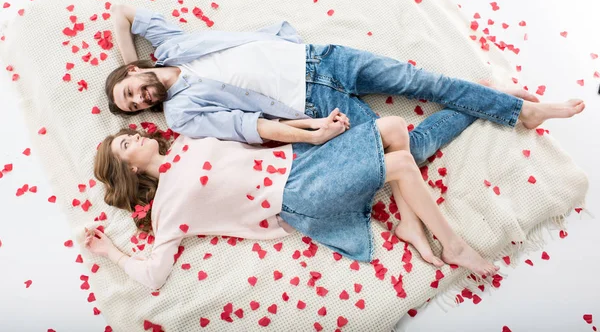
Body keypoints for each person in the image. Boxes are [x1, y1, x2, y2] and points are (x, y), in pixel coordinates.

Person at [87, 112, 503, 291]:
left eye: (129, 134)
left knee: (394, 127)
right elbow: (153, 275)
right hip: (293, 195)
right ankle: (452, 244)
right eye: (126, 144)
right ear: (131, 170)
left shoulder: (187, 140)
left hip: (298, 160)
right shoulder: (167, 209)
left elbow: (258, 130)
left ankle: (409, 224)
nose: (136, 136)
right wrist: (110, 251)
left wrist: (315, 128)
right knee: (401, 164)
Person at [105, 4, 585, 157]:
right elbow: (250, 128)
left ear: (134, 72)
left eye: (131, 90)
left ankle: (519, 110)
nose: (140, 97)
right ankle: (498, 101)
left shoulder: (169, 47)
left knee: (426, 82)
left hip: (321, 58)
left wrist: (129, 64)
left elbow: (124, 12)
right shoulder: (179, 112)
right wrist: (313, 133)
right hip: (312, 103)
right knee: (405, 152)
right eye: (134, 105)